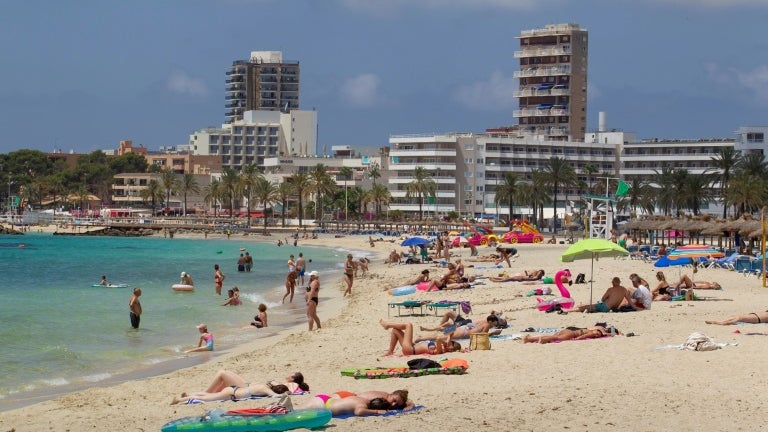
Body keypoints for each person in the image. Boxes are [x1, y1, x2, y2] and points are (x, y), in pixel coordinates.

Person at [170, 371, 309, 405]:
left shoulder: (293, 385)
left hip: (241, 389)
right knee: (208, 397)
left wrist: (290, 391)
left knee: (221, 376)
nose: (288, 374)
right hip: (240, 390)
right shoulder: (271, 388)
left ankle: (188, 396)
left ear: (294, 379)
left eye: (291, 374)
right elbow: (275, 394)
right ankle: (190, 395)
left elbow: (291, 390)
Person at [293, 391, 408, 417]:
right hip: (322, 405)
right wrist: (377, 412)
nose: (392, 404)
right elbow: (359, 412)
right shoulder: (361, 405)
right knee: (293, 412)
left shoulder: (364, 400)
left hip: (326, 399)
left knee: (295, 409)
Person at [379, 320, 461, 356]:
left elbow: (438, 339)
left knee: (409, 325)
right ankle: (390, 351)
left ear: (451, 349)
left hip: (410, 349)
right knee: (395, 330)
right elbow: (452, 332)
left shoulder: (439, 351)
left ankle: (387, 325)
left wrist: (445, 342)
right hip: (411, 346)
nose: (450, 342)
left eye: (452, 344)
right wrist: (449, 339)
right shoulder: (445, 346)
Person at [523, 323, 620, 344]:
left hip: (571, 329)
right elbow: (588, 335)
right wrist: (578, 339)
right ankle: (542, 340)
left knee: (554, 336)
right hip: (573, 333)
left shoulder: (598, 329)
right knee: (556, 338)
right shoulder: (598, 331)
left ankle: (529, 339)